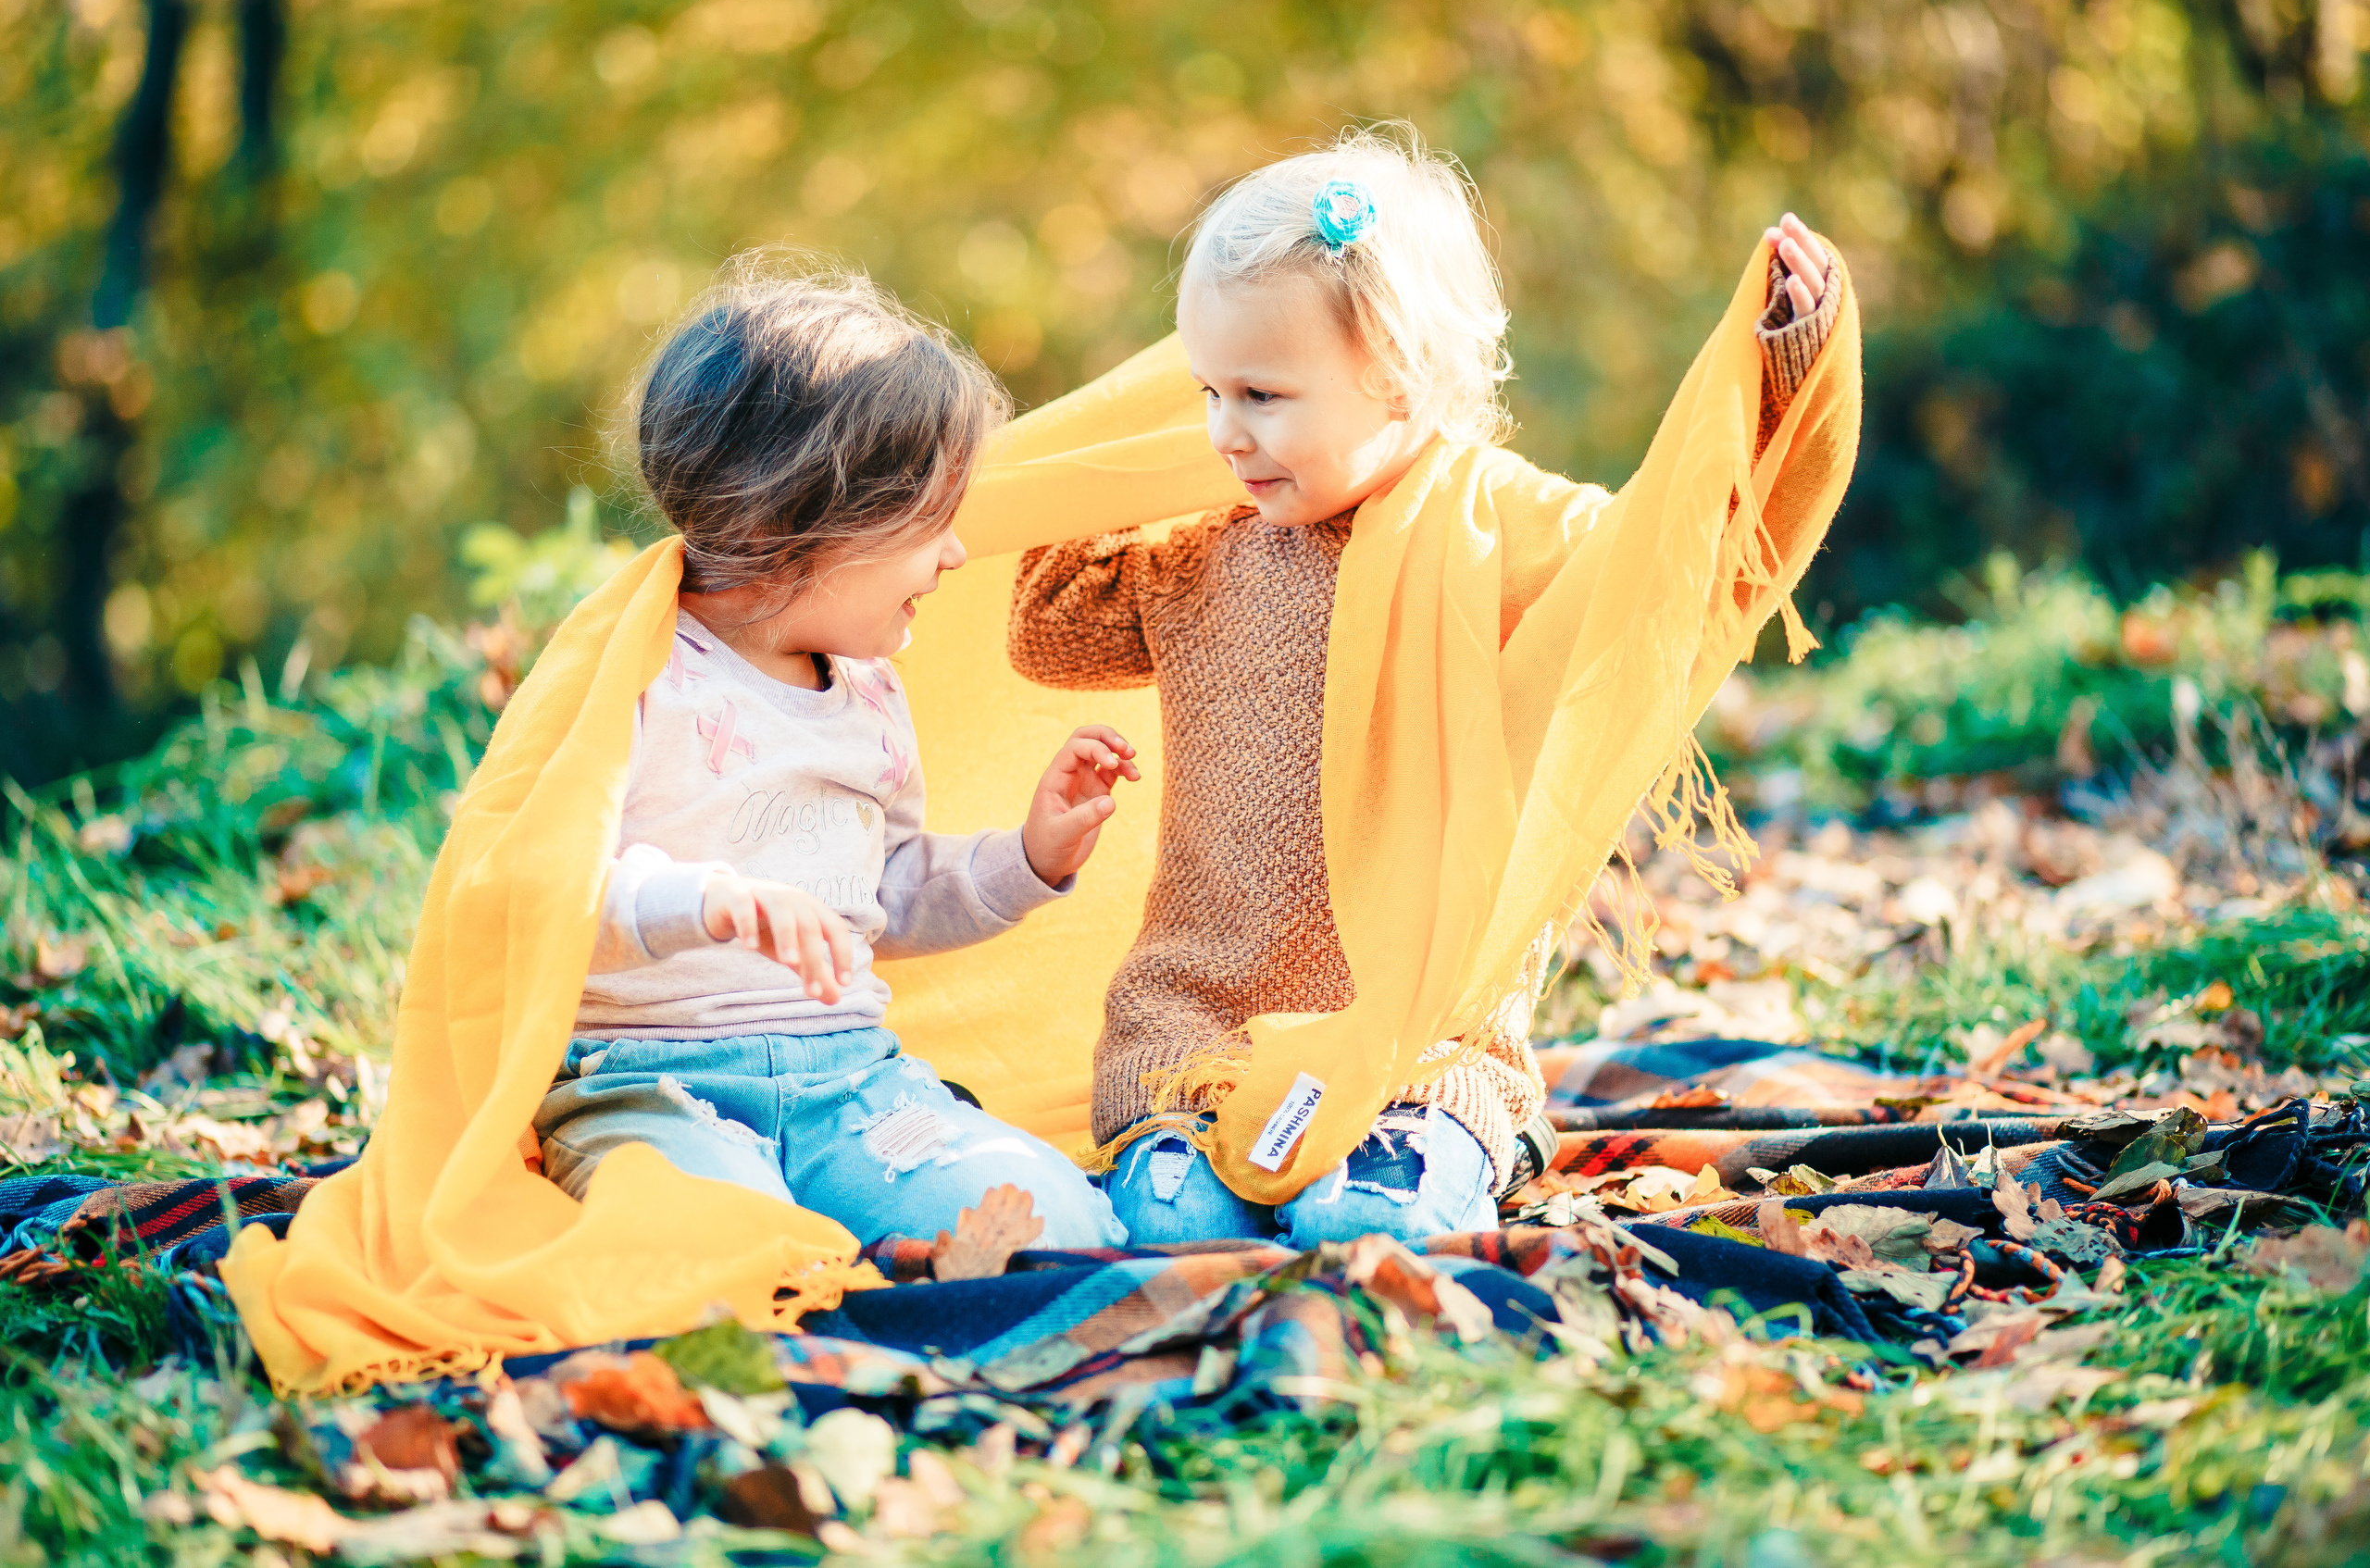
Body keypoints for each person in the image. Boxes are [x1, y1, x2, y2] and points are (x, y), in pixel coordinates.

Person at [1006, 126, 1846, 1247]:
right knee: (1184, 1230)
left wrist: (1780, 378)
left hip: (1424, 1046)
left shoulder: (1503, 531)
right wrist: (1124, 450)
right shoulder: (1199, 552)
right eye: (1204, 389)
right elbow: (1045, 630)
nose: (1222, 433)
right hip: (1198, 1035)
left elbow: (1680, 564)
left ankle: (1433, 1162)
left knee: (1360, 1229)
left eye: (1259, 393)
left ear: (1397, 373)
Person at [537, 260, 1132, 1248]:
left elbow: (881, 894)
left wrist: (1026, 858)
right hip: (651, 1086)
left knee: (1057, 1226)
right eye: (928, 524)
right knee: (721, 1245)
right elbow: (543, 893)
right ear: (796, 526)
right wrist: (708, 899)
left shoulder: (870, 697)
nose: (952, 556)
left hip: (848, 1084)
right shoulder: (633, 673)